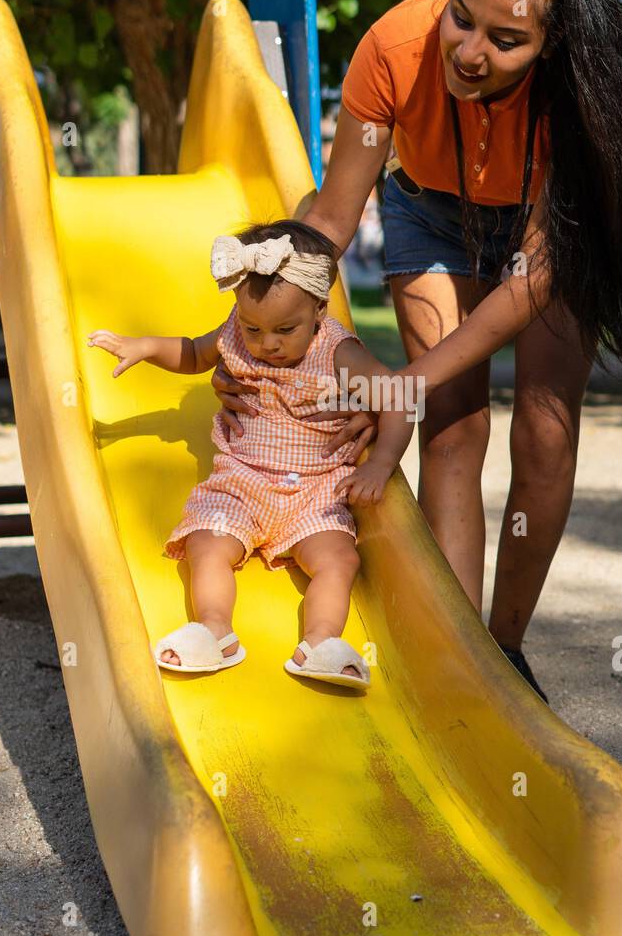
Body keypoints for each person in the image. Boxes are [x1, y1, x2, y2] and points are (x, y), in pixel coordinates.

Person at [213, 0, 622, 703]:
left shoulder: (577, 103)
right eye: (461, 17)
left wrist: (403, 382)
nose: (469, 51)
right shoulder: (394, 46)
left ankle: (506, 646)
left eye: (505, 41)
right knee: (455, 424)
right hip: (430, 211)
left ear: (553, 44)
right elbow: (329, 219)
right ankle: (465, 658)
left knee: (545, 426)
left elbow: (529, 284)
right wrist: (250, 330)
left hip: (548, 234)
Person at [88, 220, 414, 689]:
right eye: (253, 327)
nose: (267, 343)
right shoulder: (237, 335)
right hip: (242, 482)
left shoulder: (338, 352)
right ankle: (215, 629)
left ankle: (321, 642)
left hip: (315, 491)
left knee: (339, 560)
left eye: (285, 329)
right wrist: (144, 346)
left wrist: (381, 463)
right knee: (207, 542)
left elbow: (399, 399)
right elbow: (193, 352)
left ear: (319, 309)